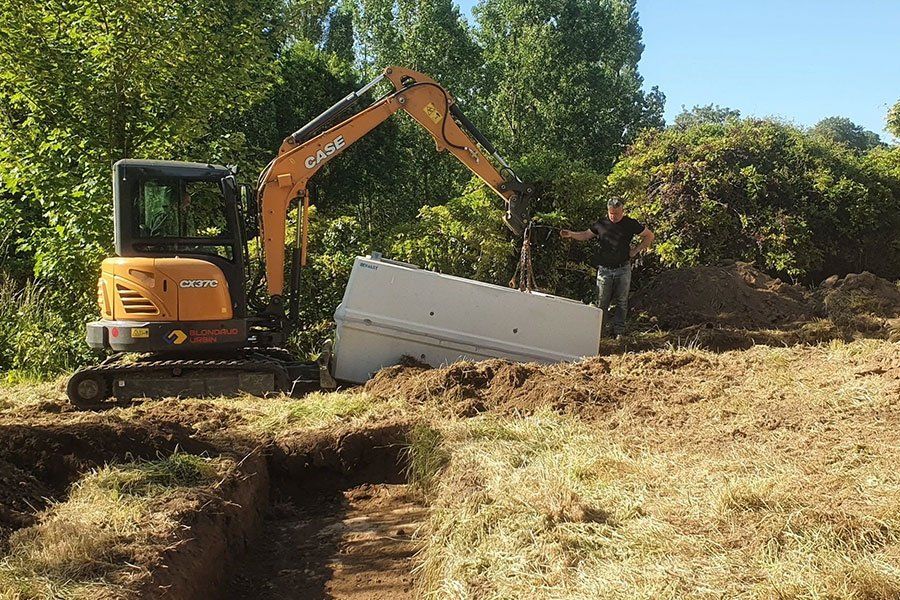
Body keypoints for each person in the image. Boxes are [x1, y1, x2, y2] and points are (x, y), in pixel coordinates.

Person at [560, 198, 654, 339]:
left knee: (622, 301)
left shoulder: (630, 223)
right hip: (604, 269)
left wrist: (636, 250)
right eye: (611, 213)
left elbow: (649, 235)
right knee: (602, 302)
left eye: (616, 213)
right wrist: (572, 234)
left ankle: (619, 332)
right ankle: (600, 332)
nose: (613, 216)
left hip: (623, 268)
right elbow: (586, 234)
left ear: (622, 211)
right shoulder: (602, 223)